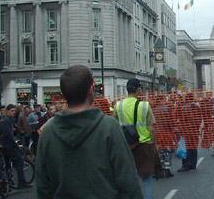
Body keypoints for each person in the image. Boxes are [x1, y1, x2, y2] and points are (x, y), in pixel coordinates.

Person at [35, 65, 143, 199]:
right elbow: (128, 181)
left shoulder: (48, 132)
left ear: (63, 95)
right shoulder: (109, 127)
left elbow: (42, 186)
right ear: (92, 89)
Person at [115, 78, 158, 199]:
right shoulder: (144, 106)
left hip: (126, 146)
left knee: (130, 179)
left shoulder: (118, 105)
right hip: (144, 145)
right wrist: (155, 144)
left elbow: (114, 125)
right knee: (147, 178)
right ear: (138, 89)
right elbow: (151, 128)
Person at [0, 104, 31, 189]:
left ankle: (10, 182)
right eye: (11, 111)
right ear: (7, 111)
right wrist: (16, 143)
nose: (13, 112)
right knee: (19, 161)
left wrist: (18, 131)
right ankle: (21, 182)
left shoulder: (10, 120)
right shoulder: (6, 121)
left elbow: (13, 131)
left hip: (6, 146)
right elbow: (8, 135)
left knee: (8, 165)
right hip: (9, 146)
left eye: (14, 111)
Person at [177, 92, 203, 172]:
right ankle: (193, 164)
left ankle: (186, 165)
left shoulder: (183, 107)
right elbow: (199, 119)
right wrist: (197, 127)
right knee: (193, 147)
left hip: (186, 130)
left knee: (186, 148)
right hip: (194, 131)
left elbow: (180, 119)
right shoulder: (197, 107)